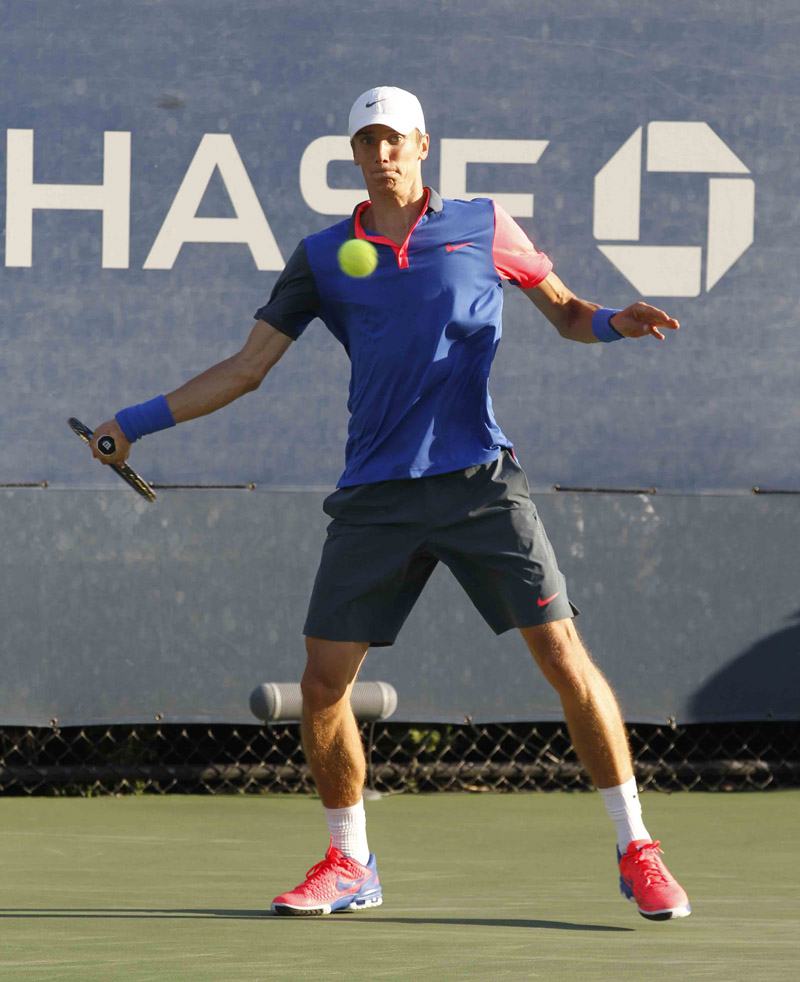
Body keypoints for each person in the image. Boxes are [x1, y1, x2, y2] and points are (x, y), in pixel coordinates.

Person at [91, 86, 691, 922]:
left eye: (395, 140)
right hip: (377, 494)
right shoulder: (324, 256)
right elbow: (247, 367)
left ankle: (637, 848)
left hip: (480, 483)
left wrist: (614, 322)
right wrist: (133, 423)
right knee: (323, 682)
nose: (382, 155)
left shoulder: (484, 225)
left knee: (564, 657)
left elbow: (566, 312)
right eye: (368, 142)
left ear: (422, 145)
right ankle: (351, 861)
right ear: (355, 154)